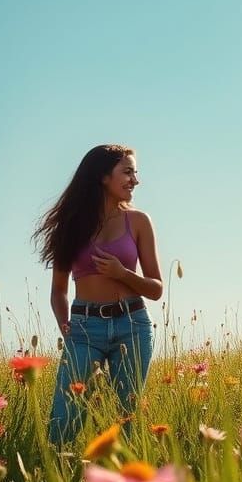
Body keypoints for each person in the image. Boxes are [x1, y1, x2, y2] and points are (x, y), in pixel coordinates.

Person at [34, 145, 163, 444]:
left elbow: (156, 289)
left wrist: (123, 274)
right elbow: (58, 290)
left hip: (132, 325)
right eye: (128, 172)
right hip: (84, 328)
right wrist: (65, 325)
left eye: (135, 172)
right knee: (64, 422)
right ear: (104, 177)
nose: (135, 180)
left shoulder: (139, 222)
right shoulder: (71, 226)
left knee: (125, 421)